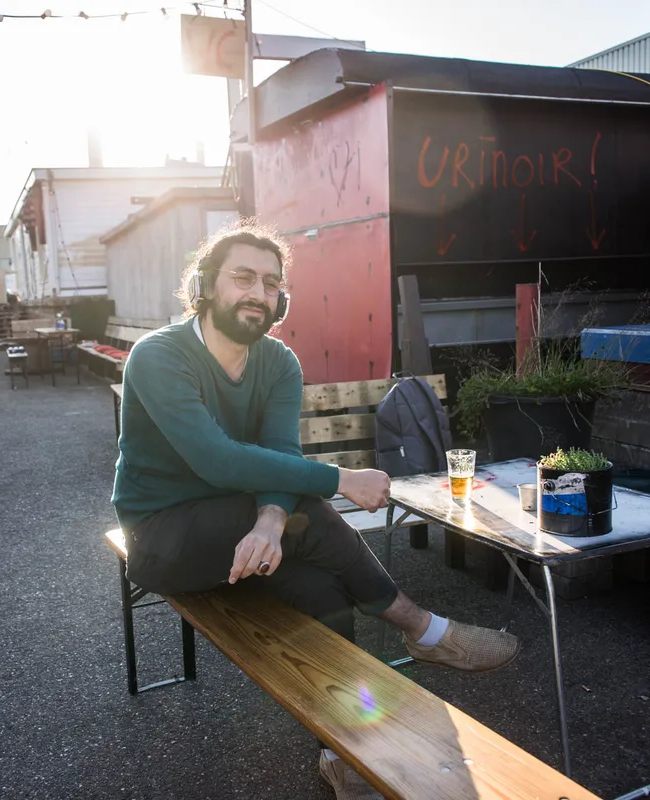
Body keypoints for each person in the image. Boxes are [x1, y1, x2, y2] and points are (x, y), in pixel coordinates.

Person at [112, 222, 519, 798]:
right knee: (312, 506)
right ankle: (423, 630)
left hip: (238, 530)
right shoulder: (158, 356)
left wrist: (271, 520)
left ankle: (341, 751)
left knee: (322, 592)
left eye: (271, 283)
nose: (259, 292)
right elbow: (218, 461)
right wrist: (341, 478)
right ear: (204, 285)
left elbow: (279, 454)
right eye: (243, 277)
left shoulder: (278, 361)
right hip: (161, 536)